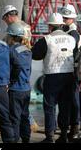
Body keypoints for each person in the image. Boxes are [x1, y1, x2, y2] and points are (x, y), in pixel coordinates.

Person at [32, 12, 76, 143]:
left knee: (50, 106)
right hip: (69, 75)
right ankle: (63, 134)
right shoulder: (72, 39)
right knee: (65, 106)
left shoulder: (47, 39)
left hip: (52, 76)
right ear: (62, 25)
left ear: (50, 26)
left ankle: (50, 136)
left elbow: (36, 55)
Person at [7, 23, 32, 143]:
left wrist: (10, 82)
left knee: (14, 117)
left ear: (11, 37)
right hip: (26, 88)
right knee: (24, 115)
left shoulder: (10, 50)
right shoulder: (28, 50)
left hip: (15, 89)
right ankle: (26, 138)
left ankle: (15, 139)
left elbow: (11, 68)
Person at [61, 4, 81, 140]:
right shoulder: (67, 31)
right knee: (69, 100)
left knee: (73, 100)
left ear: (72, 19)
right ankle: (71, 127)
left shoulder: (73, 33)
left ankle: (74, 127)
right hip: (67, 69)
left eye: (66, 18)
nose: (64, 20)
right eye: (63, 17)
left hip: (71, 70)